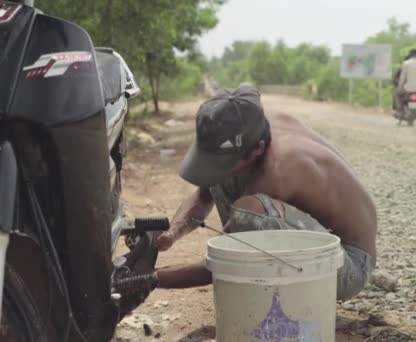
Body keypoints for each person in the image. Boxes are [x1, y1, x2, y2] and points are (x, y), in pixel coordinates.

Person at [154, 85, 377, 300]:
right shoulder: (248, 124)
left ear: (258, 149)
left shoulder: (280, 170)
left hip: (346, 264)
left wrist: (153, 279)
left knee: (248, 212)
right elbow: (204, 195)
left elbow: (227, 260)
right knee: (223, 177)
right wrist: (170, 235)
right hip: (321, 241)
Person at [394, 49, 416, 113]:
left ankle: (400, 111)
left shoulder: (406, 63)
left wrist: (399, 87)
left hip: (408, 88)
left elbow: (402, 78)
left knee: (397, 94)